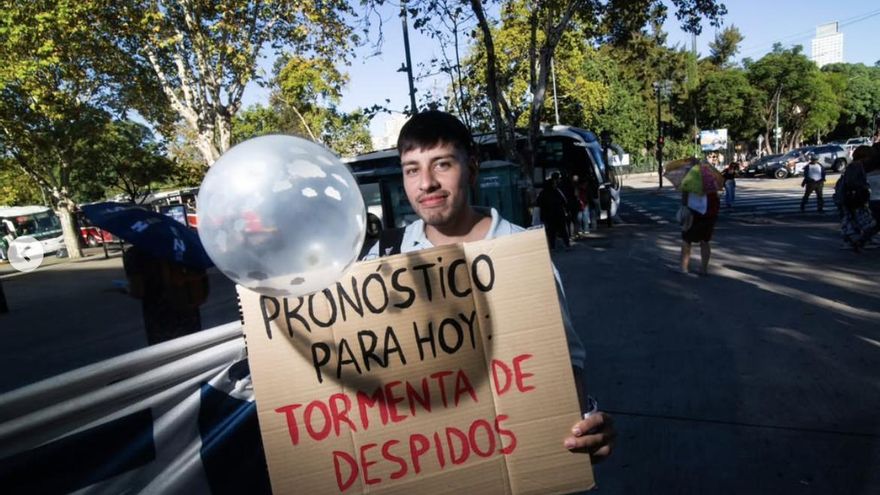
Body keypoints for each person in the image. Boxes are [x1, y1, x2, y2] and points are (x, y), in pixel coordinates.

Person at [363, 110, 615, 462]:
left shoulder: (522, 255)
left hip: (511, 458)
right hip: (421, 459)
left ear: (472, 168)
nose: (426, 183)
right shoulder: (381, 258)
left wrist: (581, 427)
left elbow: (564, 360)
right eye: (412, 169)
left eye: (442, 164)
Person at [680, 157, 721, 276]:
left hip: (693, 212)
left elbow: (684, 197)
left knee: (687, 240)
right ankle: (704, 269)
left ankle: (684, 268)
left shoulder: (689, 178)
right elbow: (716, 195)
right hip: (709, 213)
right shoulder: (710, 177)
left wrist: (683, 207)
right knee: (705, 241)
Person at [835, 146, 877, 251]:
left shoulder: (855, 165)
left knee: (854, 219)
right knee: (860, 219)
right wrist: (864, 186)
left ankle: (859, 239)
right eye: (869, 157)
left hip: (850, 196)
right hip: (852, 196)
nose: (869, 160)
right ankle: (856, 240)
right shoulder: (856, 166)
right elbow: (852, 182)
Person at [536, 172, 571, 249]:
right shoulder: (557, 191)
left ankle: (552, 246)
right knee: (563, 230)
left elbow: (538, 203)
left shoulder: (543, 193)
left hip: (548, 216)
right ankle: (566, 244)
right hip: (559, 214)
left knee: (551, 232)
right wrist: (567, 211)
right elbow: (564, 201)